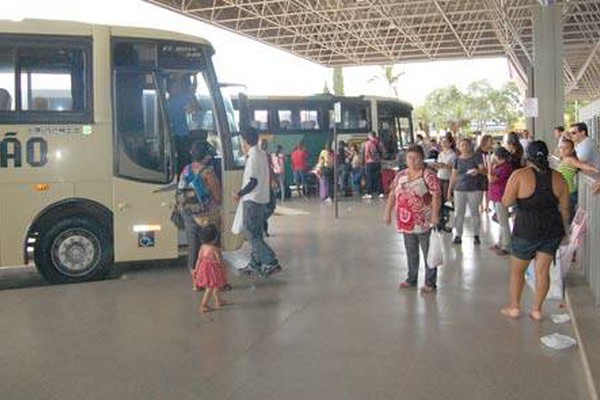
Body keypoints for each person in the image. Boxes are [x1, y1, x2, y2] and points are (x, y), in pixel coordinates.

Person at [500, 141, 569, 320]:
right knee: (542, 271)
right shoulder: (559, 178)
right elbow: (566, 209)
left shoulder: (519, 175)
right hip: (551, 230)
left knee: (517, 271)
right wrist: (565, 232)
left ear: (527, 156)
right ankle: (537, 310)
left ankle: (514, 307)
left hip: (526, 230)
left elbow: (506, 202)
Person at [384, 145, 441, 293]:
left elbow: (436, 195)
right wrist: (387, 212)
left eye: (416, 158)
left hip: (424, 221)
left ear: (422, 158)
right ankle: (412, 278)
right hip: (406, 221)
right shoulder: (400, 175)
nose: (412, 161)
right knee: (411, 252)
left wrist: (435, 214)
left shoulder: (428, 175)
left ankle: (430, 281)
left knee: (428, 252)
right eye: (410, 158)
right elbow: (392, 194)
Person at [235, 127, 281, 276]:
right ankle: (255, 263)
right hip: (261, 199)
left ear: (245, 141)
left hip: (252, 200)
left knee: (250, 234)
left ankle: (270, 261)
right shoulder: (261, 154)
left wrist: (239, 194)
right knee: (257, 232)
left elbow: (253, 181)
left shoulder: (253, 156)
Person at [178, 141, 222, 286]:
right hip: (205, 216)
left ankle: (196, 283)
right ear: (206, 156)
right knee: (210, 247)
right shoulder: (207, 172)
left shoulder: (186, 169)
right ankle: (213, 281)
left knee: (193, 247)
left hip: (188, 212)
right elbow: (217, 196)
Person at [448, 138, 485, 245]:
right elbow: (453, 175)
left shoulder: (476, 157)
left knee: (474, 212)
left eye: (466, 145)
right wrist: (449, 190)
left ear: (470, 146)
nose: (464, 147)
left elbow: (483, 169)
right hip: (459, 189)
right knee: (459, 213)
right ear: (459, 147)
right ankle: (458, 235)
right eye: (461, 145)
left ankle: (476, 235)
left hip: (474, 188)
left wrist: (477, 171)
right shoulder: (457, 159)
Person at [556, 138, 599, 221]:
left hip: (569, 192)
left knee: (568, 215)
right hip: (566, 192)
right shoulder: (564, 159)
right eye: (561, 148)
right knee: (566, 214)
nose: (563, 150)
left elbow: (582, 165)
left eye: (566, 148)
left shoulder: (570, 159)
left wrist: (595, 169)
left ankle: (571, 231)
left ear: (572, 150)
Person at [193, 225, 228, 313]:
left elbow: (199, 259)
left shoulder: (202, 247)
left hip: (204, 269)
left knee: (215, 286)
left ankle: (218, 301)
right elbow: (219, 261)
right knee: (211, 288)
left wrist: (196, 270)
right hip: (213, 270)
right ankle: (203, 305)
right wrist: (223, 267)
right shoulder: (215, 249)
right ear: (215, 238)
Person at [488, 147, 513, 256]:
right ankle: (500, 242)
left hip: (501, 196)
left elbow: (492, 179)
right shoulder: (498, 166)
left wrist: (489, 169)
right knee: (500, 220)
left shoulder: (505, 167)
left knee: (503, 222)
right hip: (496, 195)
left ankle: (506, 246)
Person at [432, 137, 456, 232]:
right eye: (442, 142)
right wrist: (436, 165)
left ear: (450, 143)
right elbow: (439, 167)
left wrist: (444, 165)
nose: (443, 144)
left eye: (445, 142)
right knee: (439, 200)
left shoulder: (453, 155)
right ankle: (439, 221)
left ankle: (447, 222)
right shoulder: (441, 154)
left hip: (448, 179)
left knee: (447, 201)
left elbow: (454, 168)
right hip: (439, 177)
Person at [362, 131, 385, 199]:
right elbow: (383, 151)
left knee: (369, 178)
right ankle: (380, 192)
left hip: (370, 163)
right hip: (378, 162)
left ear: (370, 136)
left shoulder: (368, 143)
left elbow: (366, 153)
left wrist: (366, 161)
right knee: (378, 177)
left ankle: (369, 193)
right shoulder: (379, 142)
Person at [476, 134, 494, 213]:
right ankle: (481, 206)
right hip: (480, 173)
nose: (491, 142)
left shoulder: (492, 151)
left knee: (488, 190)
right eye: (489, 141)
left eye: (491, 141)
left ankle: (487, 206)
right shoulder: (478, 151)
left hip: (489, 172)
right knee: (480, 190)